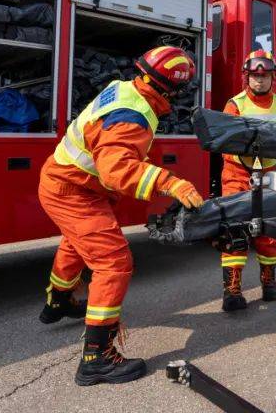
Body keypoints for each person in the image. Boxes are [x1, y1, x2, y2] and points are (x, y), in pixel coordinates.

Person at [38, 45, 205, 386]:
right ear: (174, 89)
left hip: (68, 182)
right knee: (113, 262)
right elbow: (116, 170)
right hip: (74, 191)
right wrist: (169, 182)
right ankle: (96, 358)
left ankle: (57, 301)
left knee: (75, 244)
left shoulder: (124, 89)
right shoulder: (135, 115)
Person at [217, 49, 276, 312]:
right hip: (238, 173)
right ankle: (232, 290)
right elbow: (226, 144)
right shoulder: (234, 105)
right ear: (247, 77)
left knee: (270, 232)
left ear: (272, 77)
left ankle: (268, 281)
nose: (260, 80)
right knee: (234, 231)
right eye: (255, 76)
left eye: (265, 75)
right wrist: (248, 171)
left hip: (269, 176)